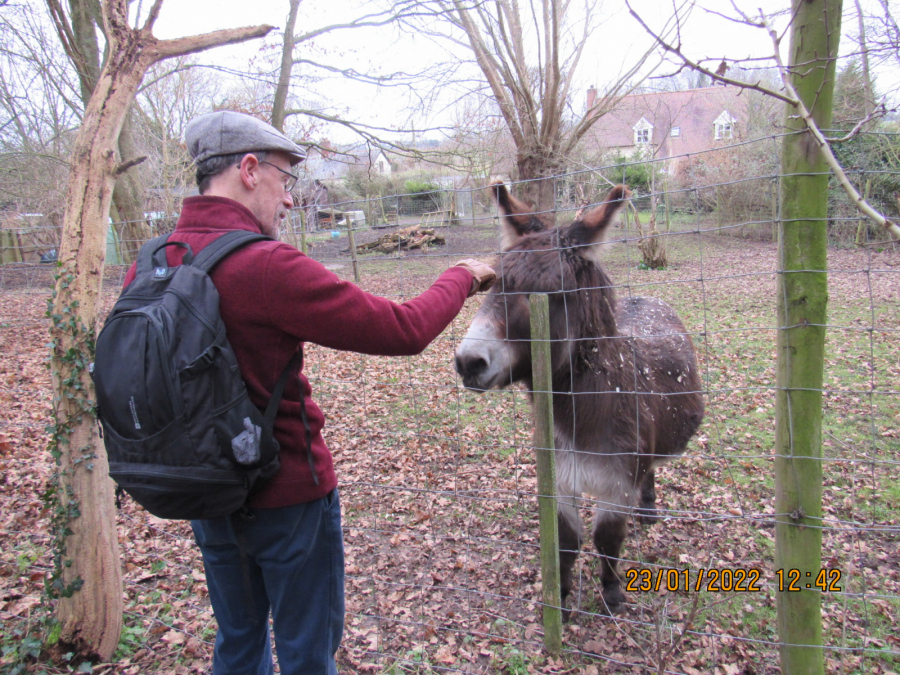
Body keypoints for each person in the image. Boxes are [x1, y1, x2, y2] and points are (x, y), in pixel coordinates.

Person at [122, 110, 495, 675]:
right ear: (249, 170)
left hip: (203, 490)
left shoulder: (151, 262)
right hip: (288, 500)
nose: (290, 197)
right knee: (307, 653)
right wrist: (461, 275)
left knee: (238, 640)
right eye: (285, 177)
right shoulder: (264, 266)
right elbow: (403, 330)